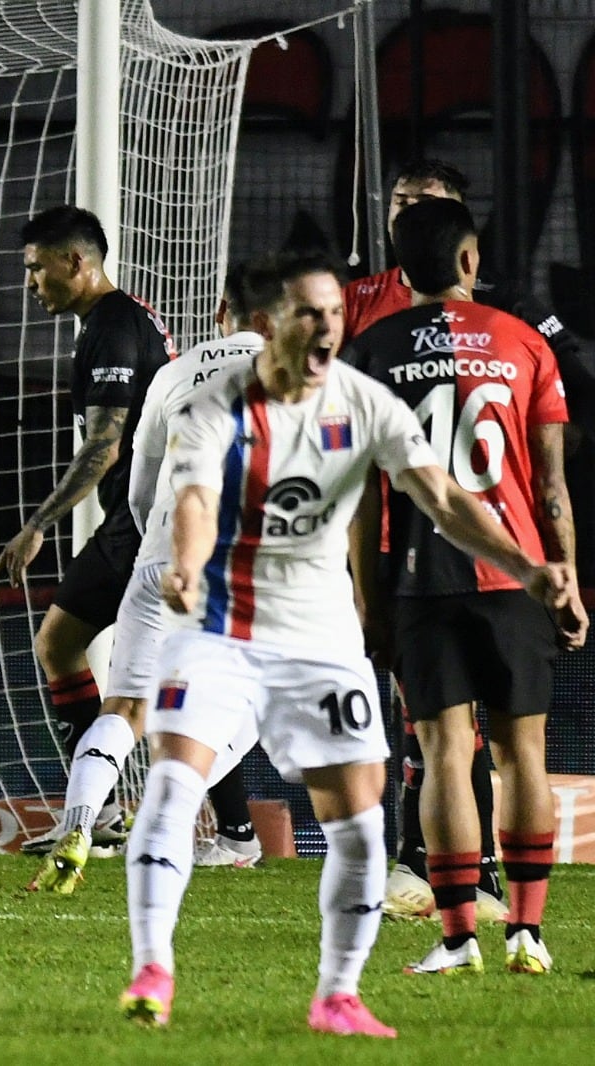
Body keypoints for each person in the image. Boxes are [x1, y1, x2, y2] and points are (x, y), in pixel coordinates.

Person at [118, 252, 575, 1037]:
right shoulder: (216, 407)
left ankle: (338, 995)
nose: (329, 326)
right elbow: (193, 497)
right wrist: (188, 567)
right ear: (266, 326)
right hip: (220, 625)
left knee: (359, 822)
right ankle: (153, 968)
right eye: (310, 312)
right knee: (171, 781)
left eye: (334, 312)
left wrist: (526, 566)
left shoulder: (366, 402)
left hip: (319, 634)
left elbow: (442, 499)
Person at [344, 158, 595, 921]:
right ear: (468, 256)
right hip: (516, 569)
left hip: (415, 568)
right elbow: (553, 487)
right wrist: (564, 575)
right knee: (523, 752)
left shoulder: (373, 346)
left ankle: (455, 923)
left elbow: (359, 489)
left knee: (443, 745)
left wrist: (367, 597)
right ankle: (524, 925)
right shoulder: (520, 340)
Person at [28, 262, 261, 892]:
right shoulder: (307, 375)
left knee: (125, 706)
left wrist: (156, 547)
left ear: (220, 315)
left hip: (161, 556)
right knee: (249, 702)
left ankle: (79, 823)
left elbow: (138, 484)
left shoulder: (174, 373)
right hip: (256, 567)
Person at [0, 206, 175, 855]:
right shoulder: (113, 321)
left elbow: (105, 445)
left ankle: (222, 829)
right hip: (136, 522)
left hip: (143, 526)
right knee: (64, 645)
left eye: (37, 268)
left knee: (152, 687)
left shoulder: (113, 327)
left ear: (77, 261)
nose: (31, 282)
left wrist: (38, 524)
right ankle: (98, 813)